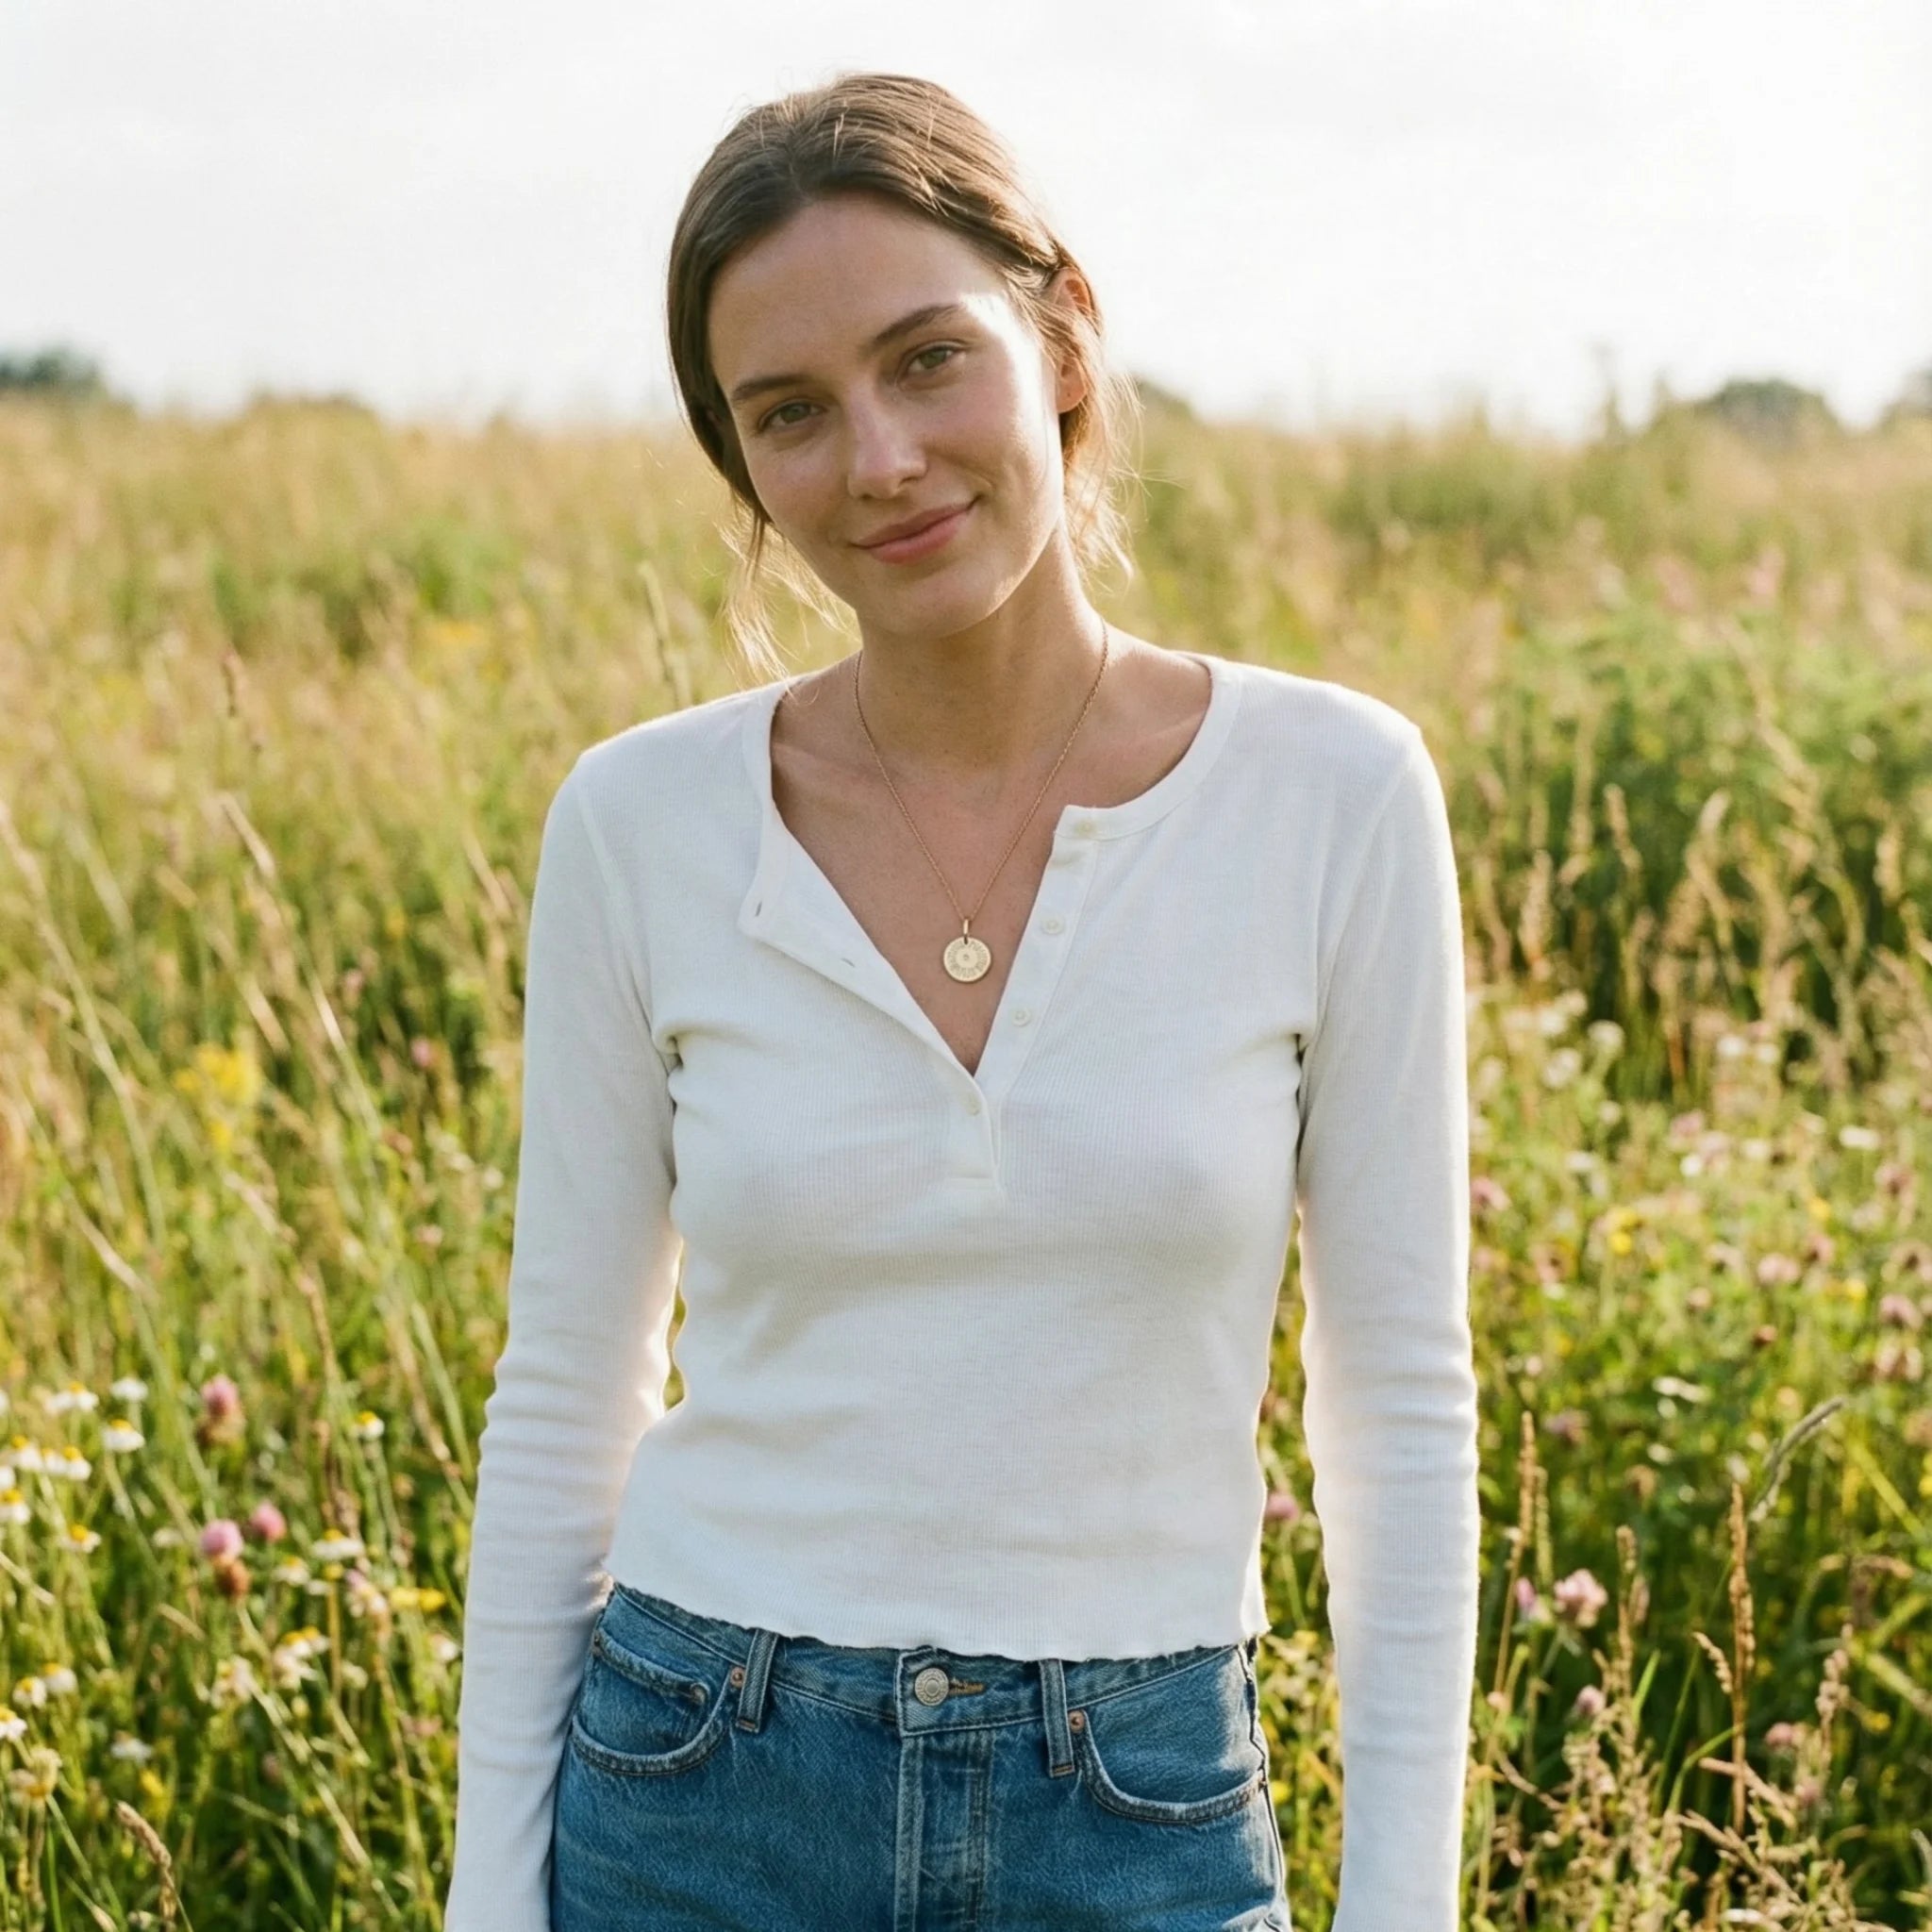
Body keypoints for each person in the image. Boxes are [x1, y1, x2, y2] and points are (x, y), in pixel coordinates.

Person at [444, 70, 1479, 1932]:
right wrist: (486, 1908)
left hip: (1135, 1807)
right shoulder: (638, 823)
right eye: (792, 414)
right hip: (696, 1791)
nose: (881, 459)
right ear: (743, 468)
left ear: (1061, 330)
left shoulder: (1331, 793)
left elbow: (1395, 1409)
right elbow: (563, 1398)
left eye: (929, 359)